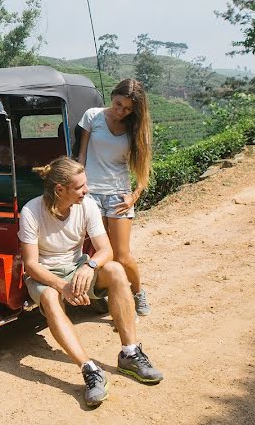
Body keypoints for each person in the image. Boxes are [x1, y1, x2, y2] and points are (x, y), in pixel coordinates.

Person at [19, 157, 163, 407]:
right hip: (46, 273)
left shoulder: (88, 205)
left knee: (116, 270)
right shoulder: (31, 211)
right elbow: (31, 264)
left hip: (78, 267)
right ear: (59, 190)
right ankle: (89, 369)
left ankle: (130, 353)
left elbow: (105, 249)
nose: (87, 190)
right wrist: (61, 286)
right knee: (51, 298)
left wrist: (90, 265)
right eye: (80, 187)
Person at [77, 78, 153, 317]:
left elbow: (143, 170)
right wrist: (78, 187)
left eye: (128, 109)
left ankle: (138, 293)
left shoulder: (135, 128)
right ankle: (110, 297)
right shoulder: (92, 116)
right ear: (112, 96)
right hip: (90, 194)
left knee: (121, 255)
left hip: (118, 196)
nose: (121, 111)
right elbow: (81, 155)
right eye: (119, 104)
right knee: (97, 252)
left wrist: (134, 196)